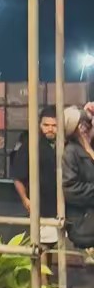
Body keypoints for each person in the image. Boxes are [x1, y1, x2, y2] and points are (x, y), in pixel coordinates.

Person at [10, 106, 59, 244]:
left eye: (54, 125)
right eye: (46, 125)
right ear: (39, 125)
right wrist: (25, 199)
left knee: (59, 245)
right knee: (42, 245)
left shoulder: (64, 144)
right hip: (42, 207)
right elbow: (17, 175)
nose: (50, 129)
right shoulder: (31, 145)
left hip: (64, 208)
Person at [62, 106, 94, 252]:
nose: (86, 128)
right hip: (84, 220)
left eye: (88, 124)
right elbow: (70, 189)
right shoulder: (71, 152)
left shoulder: (89, 148)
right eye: (82, 125)